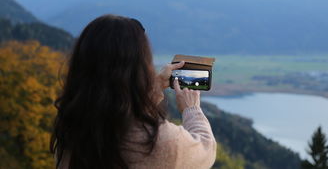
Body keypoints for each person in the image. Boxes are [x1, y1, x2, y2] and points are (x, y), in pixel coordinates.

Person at [50, 14, 217, 169]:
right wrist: (191, 109)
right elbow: (206, 150)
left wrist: (155, 88)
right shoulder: (159, 142)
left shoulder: (71, 129)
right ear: (140, 67)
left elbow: (119, 112)